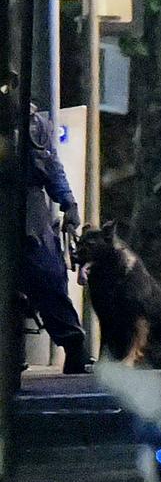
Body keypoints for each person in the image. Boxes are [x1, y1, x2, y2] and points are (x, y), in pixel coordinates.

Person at [23, 102, 91, 373]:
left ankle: (73, 344)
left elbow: (50, 165)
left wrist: (69, 203)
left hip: (28, 205)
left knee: (47, 274)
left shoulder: (32, 123)